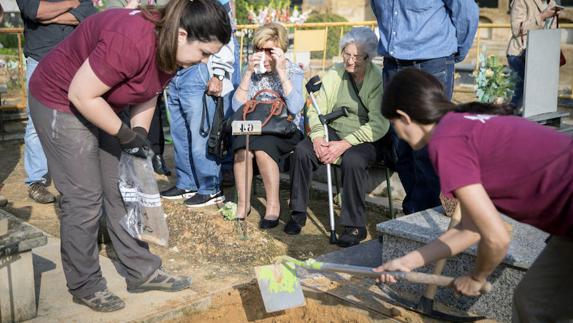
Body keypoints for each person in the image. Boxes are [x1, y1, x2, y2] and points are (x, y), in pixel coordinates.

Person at [28, 0, 231, 312]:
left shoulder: (170, 50)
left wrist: (137, 135)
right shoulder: (132, 38)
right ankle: (85, 283)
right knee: (84, 196)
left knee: (123, 186)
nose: (204, 62)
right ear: (181, 34)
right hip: (61, 99)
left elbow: (147, 91)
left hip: (100, 101)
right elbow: (81, 94)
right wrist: (123, 135)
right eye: (204, 52)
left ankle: (141, 270)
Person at [375, 68, 573, 322]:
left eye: (393, 125)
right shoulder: (461, 121)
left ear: (404, 117)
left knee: (535, 306)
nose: (397, 133)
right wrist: (407, 261)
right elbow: (469, 230)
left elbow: (497, 237)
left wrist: (477, 277)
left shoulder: (446, 142)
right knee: (533, 303)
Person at [370, 0, 479, 214]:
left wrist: (454, 51)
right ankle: (415, 210)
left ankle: (428, 218)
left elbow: (466, 11)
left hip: (431, 61)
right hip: (393, 64)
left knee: (428, 145)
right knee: (400, 145)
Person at [285, 28, 389, 248]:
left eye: (356, 56)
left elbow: (379, 123)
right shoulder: (335, 72)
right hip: (332, 129)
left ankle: (354, 225)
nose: (350, 61)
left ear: (368, 57)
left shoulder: (377, 79)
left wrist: (344, 144)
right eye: (346, 54)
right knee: (302, 151)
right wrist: (318, 137)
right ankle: (297, 212)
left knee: (353, 159)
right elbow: (315, 109)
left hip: (366, 136)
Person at [17, 0, 96, 204]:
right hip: (40, 58)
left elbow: (87, 12)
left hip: (72, 58)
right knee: (36, 123)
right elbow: (35, 11)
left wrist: (50, 16)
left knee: (76, 117)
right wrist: (71, 4)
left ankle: (75, 176)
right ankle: (37, 180)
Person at [160, 0, 236, 207]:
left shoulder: (216, 5)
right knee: (179, 133)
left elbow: (224, 39)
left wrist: (218, 75)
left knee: (201, 134)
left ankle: (210, 188)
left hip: (200, 71)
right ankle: (187, 183)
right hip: (176, 70)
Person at [232, 22, 304, 229]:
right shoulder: (254, 72)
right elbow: (236, 106)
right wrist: (247, 73)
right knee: (241, 148)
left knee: (263, 149)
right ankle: (243, 204)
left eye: (269, 50)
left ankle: (273, 206)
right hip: (255, 125)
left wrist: (281, 72)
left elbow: (296, 107)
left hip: (283, 127)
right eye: (259, 49)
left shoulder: (292, 71)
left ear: (280, 50)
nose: (264, 55)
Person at [507, 0, 559, 112]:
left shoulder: (552, 3)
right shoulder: (520, 1)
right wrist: (542, 16)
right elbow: (517, 29)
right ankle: (508, 120)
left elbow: (551, 31)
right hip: (520, 53)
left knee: (538, 94)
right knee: (520, 93)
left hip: (541, 54)